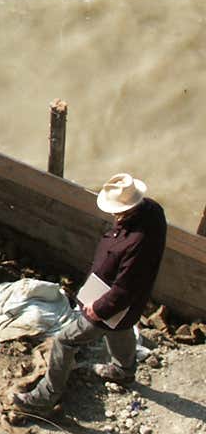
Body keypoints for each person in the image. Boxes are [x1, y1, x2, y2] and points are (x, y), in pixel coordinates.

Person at [13, 174, 167, 415]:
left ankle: (45, 397)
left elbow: (124, 289)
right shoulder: (152, 211)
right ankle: (124, 372)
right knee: (121, 327)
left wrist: (98, 309)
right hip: (125, 304)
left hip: (113, 302)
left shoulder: (137, 242)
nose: (115, 216)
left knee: (66, 339)